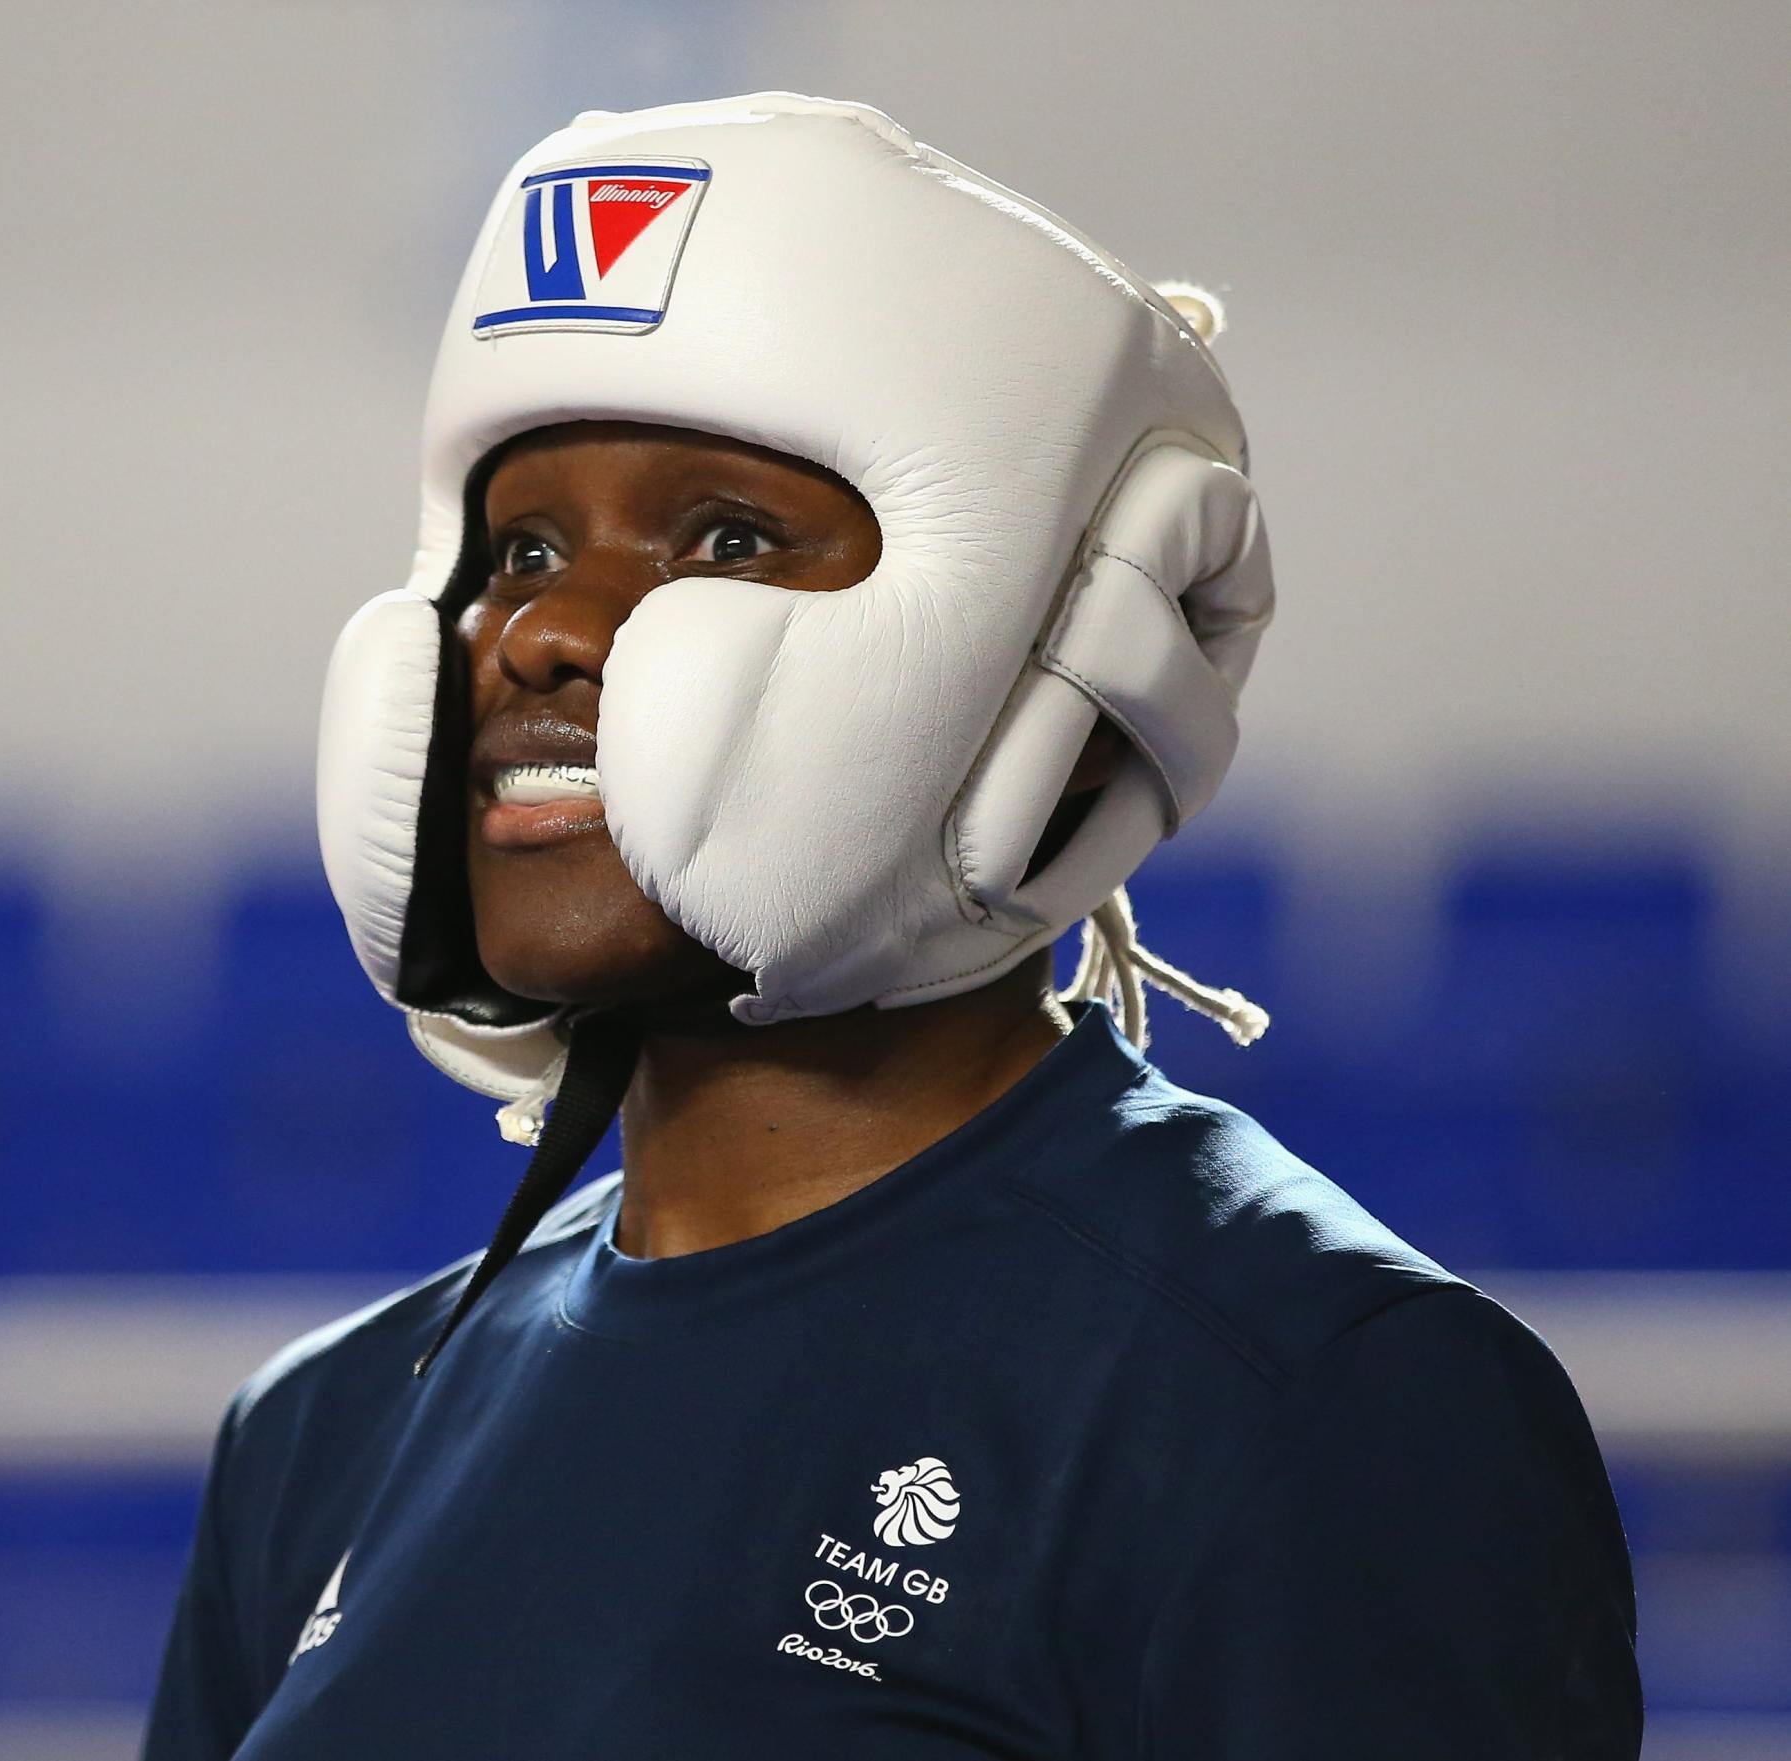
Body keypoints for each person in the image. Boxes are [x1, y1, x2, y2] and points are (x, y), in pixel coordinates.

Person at [145, 93, 1641, 1759]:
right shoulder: (322, 1432)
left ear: (1019, 644)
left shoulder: (1313, 1398)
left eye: (725, 538)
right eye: (522, 544)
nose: (544, 628)